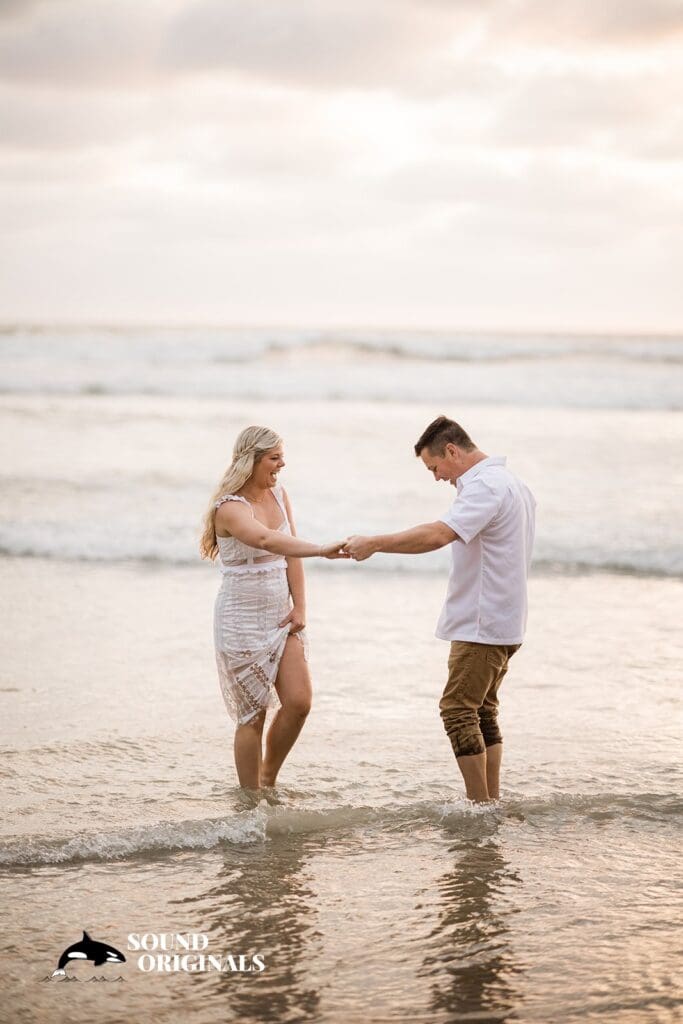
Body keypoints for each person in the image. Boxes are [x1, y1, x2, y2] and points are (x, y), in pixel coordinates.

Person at [344, 415, 536, 804]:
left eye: (434, 467)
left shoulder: (485, 486)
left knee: (457, 710)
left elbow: (437, 534)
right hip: (505, 619)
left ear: (452, 450)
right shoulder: (514, 483)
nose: (435, 477)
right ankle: (490, 802)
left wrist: (376, 542)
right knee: (482, 711)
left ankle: (479, 807)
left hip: (481, 623)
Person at [200, 425, 345, 790]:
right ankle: (250, 802)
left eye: (282, 456)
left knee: (299, 702)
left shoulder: (280, 495)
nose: (282, 464)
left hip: (281, 614)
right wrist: (321, 548)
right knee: (252, 716)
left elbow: (288, 552)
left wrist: (301, 608)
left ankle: (268, 778)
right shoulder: (230, 508)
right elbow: (264, 538)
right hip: (240, 619)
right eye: (274, 457)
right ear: (251, 460)